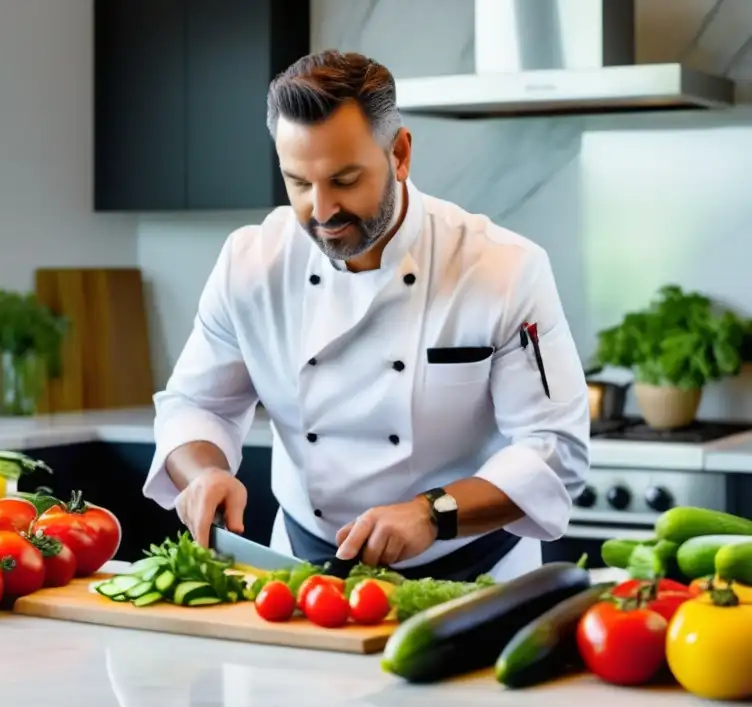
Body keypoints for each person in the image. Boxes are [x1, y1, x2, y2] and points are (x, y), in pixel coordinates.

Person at [141, 50, 590, 582]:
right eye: (300, 184)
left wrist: (432, 514)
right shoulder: (252, 264)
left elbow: (554, 451)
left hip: (472, 580)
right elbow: (197, 404)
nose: (323, 210)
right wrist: (204, 474)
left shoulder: (502, 268)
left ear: (399, 154)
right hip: (301, 575)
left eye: (346, 179)